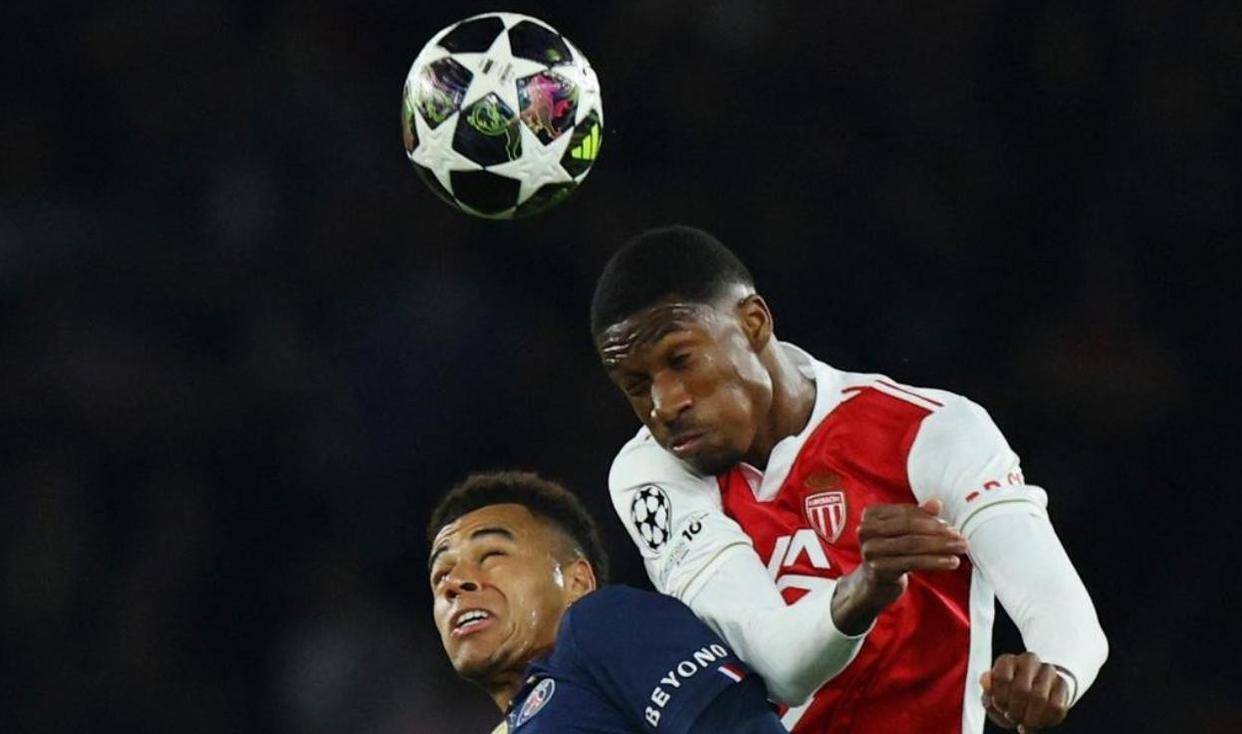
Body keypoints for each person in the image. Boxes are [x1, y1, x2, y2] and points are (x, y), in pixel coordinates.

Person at [591, 226, 1109, 733]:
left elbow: (1059, 607)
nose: (665, 405)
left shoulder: (932, 431)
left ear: (753, 323)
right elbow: (779, 664)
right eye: (636, 385)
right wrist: (866, 586)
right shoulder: (650, 475)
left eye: (681, 360)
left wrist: (1055, 674)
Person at [428, 469, 788, 733]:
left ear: (578, 582)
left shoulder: (601, 622)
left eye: (491, 555)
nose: (454, 584)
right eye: (441, 575)